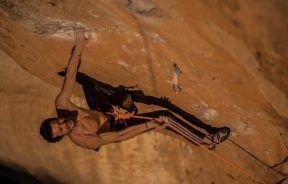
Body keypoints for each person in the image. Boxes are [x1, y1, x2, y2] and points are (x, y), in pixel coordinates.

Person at [40, 29, 230, 151]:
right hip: (117, 126)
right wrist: (151, 125)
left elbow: (71, 74)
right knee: (164, 115)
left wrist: (79, 46)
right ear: (64, 136)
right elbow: (119, 136)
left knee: (87, 82)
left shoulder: (63, 105)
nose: (65, 124)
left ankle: (125, 105)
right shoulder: (84, 139)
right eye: (62, 130)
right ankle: (207, 140)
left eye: (60, 122)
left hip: (101, 110)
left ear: (57, 116)